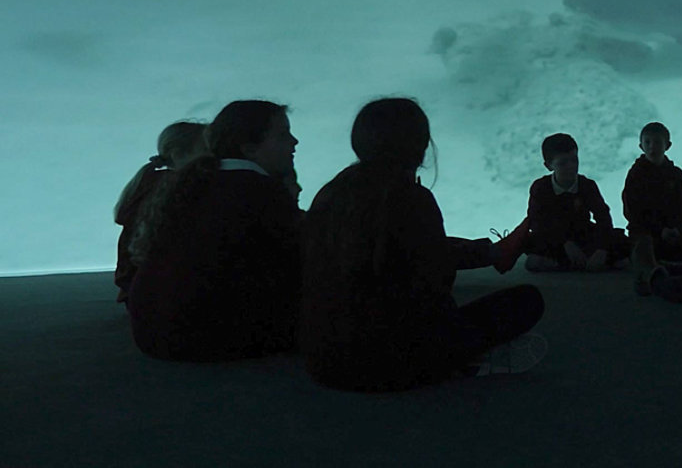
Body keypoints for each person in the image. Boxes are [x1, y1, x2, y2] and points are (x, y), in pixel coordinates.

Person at [301, 98, 546, 391]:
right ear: (419, 145)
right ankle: (454, 363)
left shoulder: (330, 192)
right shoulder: (411, 199)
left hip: (322, 361)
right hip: (394, 363)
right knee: (527, 300)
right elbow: (436, 278)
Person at [127, 101, 302, 361]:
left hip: (153, 331)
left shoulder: (193, 181)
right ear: (250, 149)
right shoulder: (260, 190)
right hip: (206, 337)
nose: (294, 141)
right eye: (282, 134)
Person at [112, 121, 207, 303]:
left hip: (139, 275)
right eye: (206, 150)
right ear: (179, 154)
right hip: (157, 277)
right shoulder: (180, 185)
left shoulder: (148, 179)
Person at [523, 133, 628, 272]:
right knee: (531, 243)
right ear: (549, 166)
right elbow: (537, 222)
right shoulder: (540, 187)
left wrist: (602, 249)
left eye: (574, 160)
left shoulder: (587, 185)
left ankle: (563, 263)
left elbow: (603, 218)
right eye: (563, 163)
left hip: (583, 234)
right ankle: (576, 262)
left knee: (620, 240)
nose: (571, 166)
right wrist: (565, 243)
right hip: (553, 237)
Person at [624, 122, 682, 293]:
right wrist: (659, 231)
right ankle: (654, 272)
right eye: (647, 142)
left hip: (673, 232)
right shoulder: (636, 174)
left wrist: (677, 229)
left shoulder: (676, 174)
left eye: (657, 142)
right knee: (644, 245)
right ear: (641, 146)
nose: (652, 147)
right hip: (645, 231)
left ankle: (665, 266)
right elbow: (632, 211)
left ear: (667, 146)